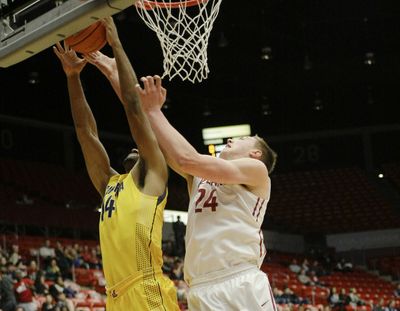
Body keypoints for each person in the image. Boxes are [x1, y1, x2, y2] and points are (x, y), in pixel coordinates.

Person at [53, 16, 179, 311]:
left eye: (141, 145)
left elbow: (135, 109)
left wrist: (117, 45)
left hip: (147, 289)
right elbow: (85, 134)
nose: (135, 146)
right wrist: (73, 78)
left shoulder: (153, 176)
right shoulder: (109, 185)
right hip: (115, 297)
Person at [138, 76, 278, 309]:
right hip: (201, 289)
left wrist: (153, 112)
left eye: (243, 139)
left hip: (240, 281)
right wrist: (129, 93)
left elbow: (187, 158)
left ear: (255, 154)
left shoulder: (257, 171)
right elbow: (163, 145)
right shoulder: (198, 175)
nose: (232, 139)